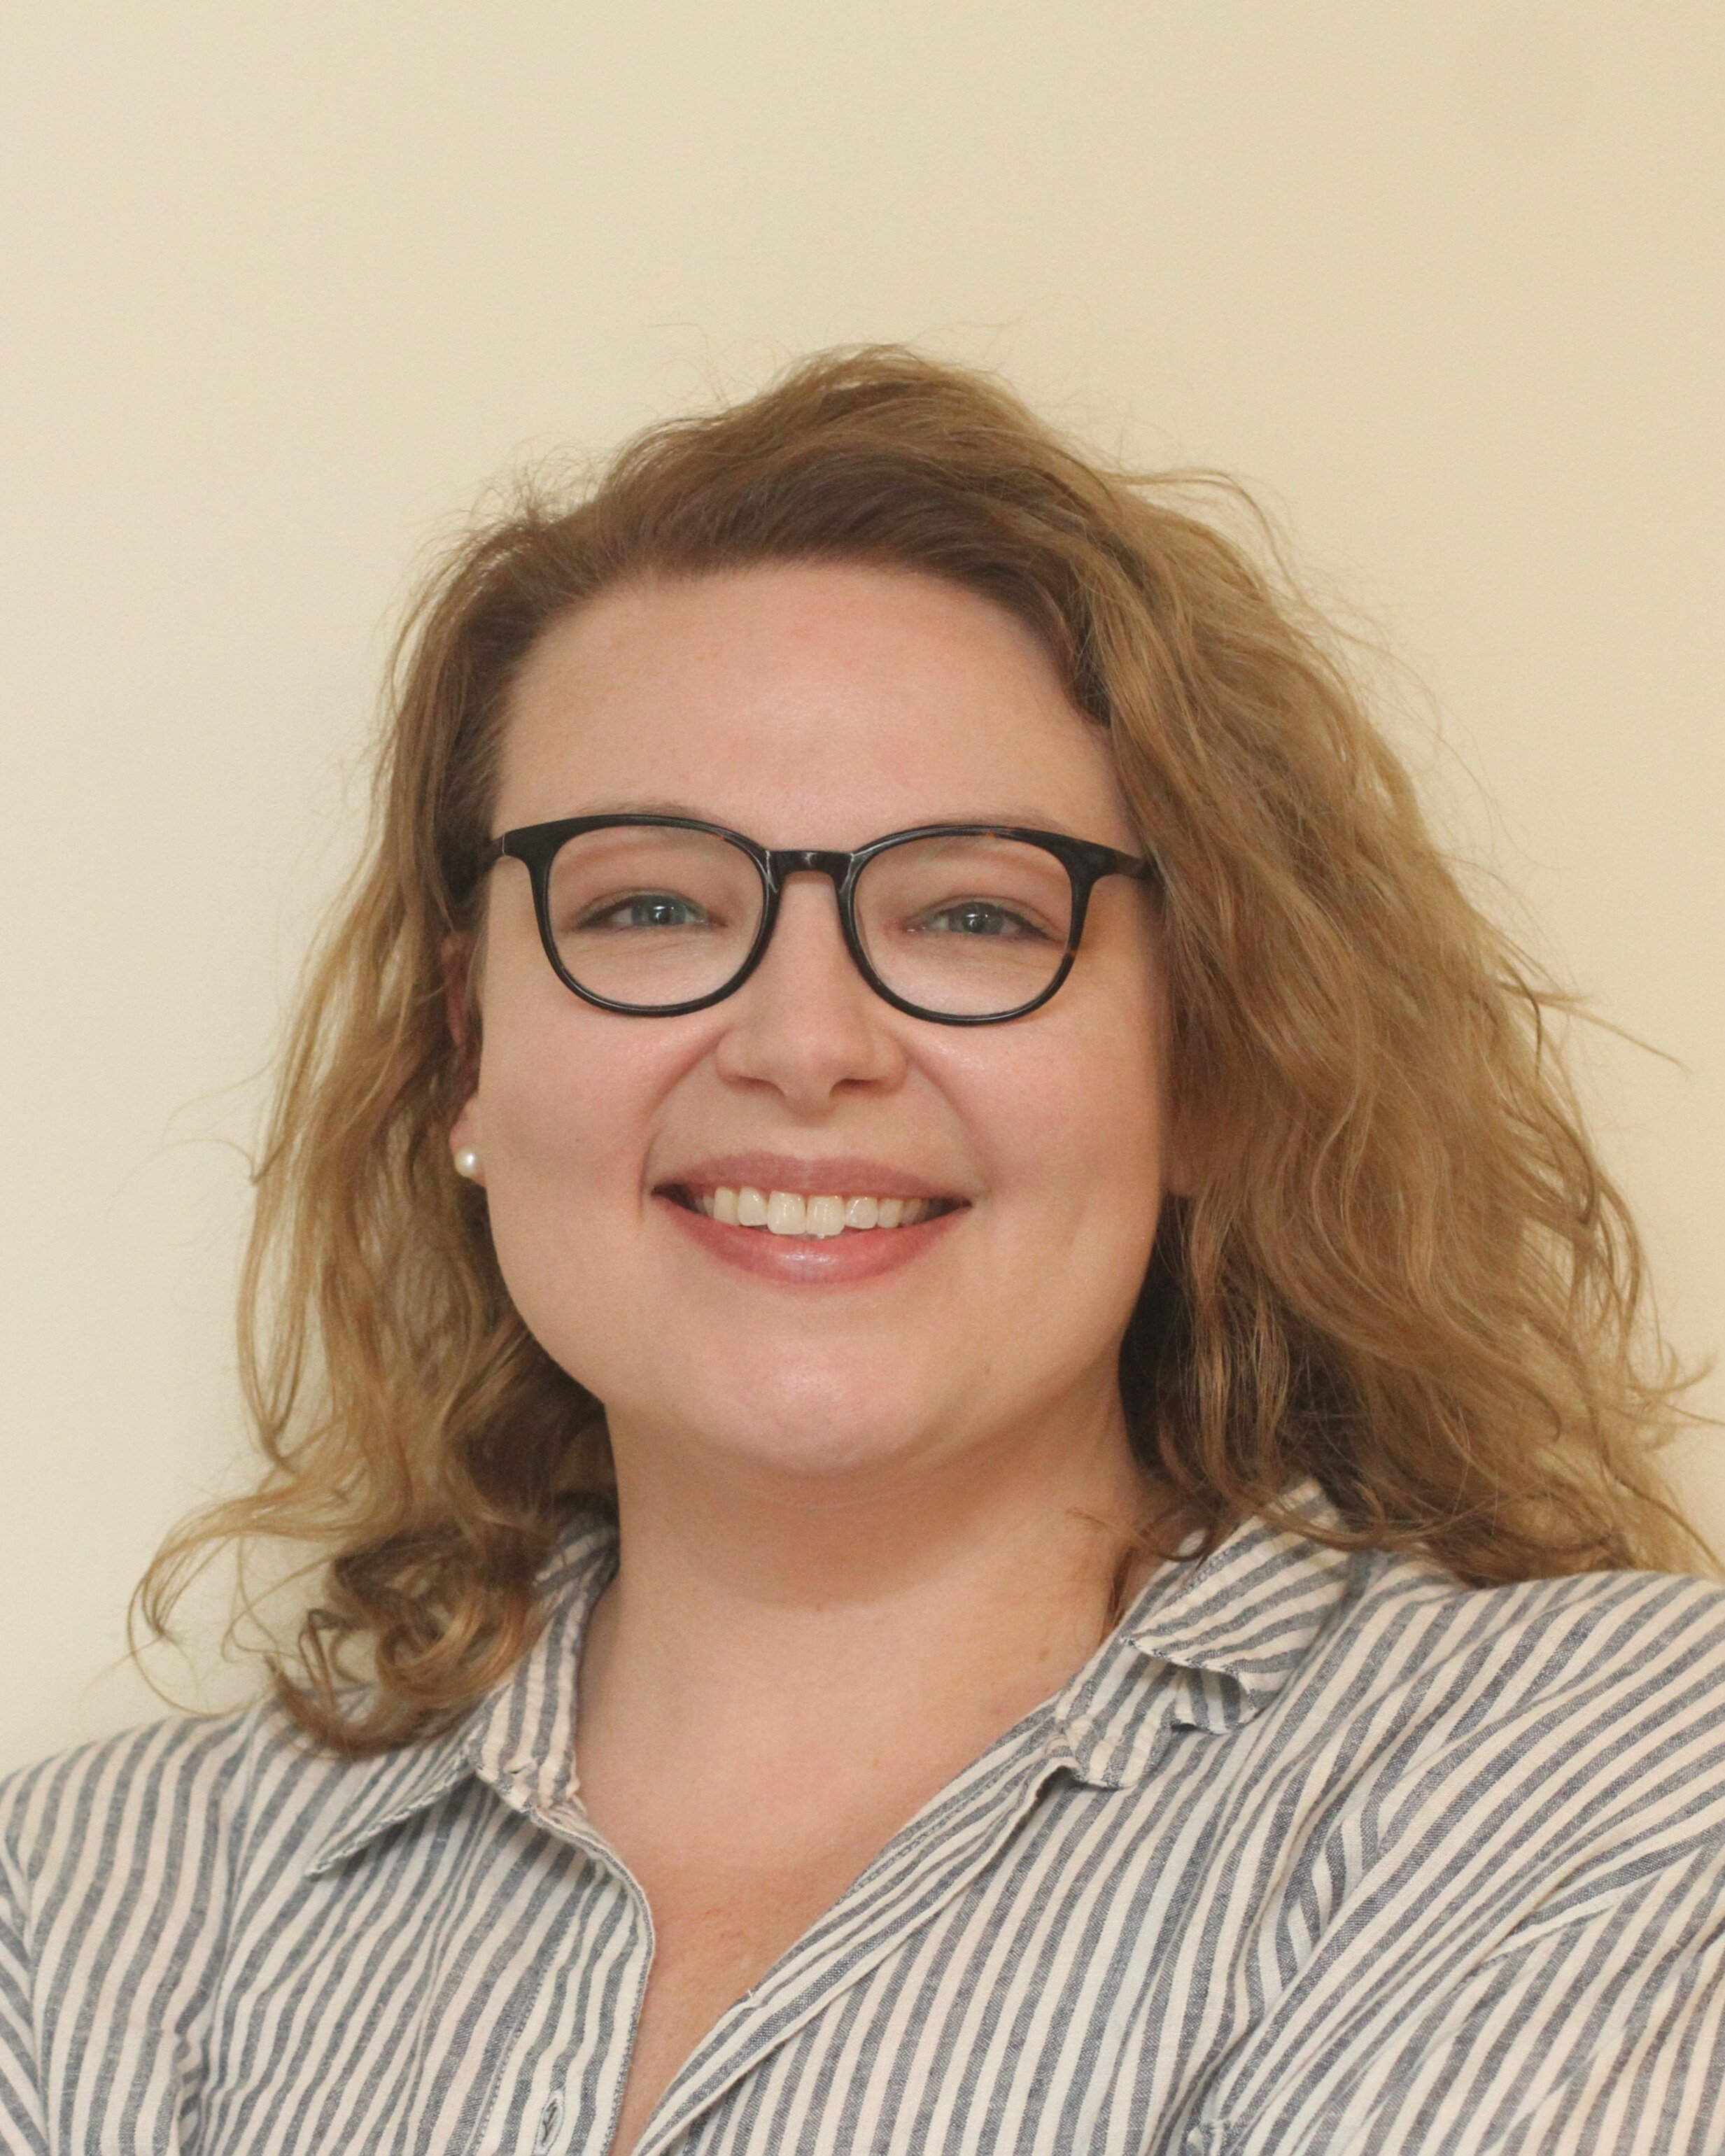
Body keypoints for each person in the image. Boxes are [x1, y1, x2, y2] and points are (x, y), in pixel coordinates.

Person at [3, 348, 1722, 2156]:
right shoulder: (89, 1929)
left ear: (1210, 1062)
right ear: (467, 1053)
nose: (802, 1040)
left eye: (974, 912)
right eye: (651, 906)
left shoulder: (1590, 1774)